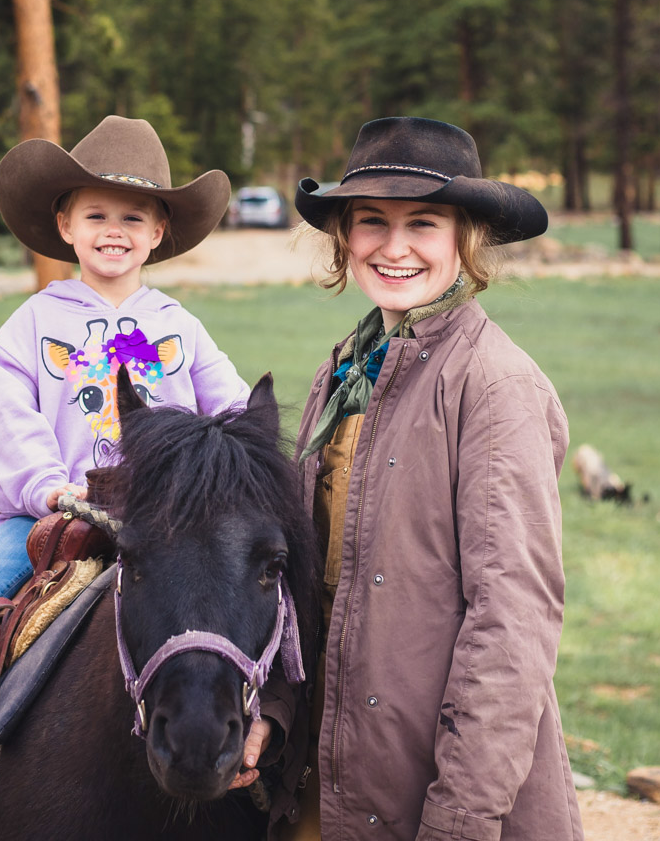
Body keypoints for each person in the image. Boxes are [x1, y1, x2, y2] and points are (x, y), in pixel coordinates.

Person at [0, 115, 253, 827]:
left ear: (159, 230)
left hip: (160, 523)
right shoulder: (32, 324)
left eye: (133, 216)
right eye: (97, 213)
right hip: (52, 513)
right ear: (65, 223)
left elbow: (231, 412)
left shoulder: (180, 326)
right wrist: (50, 487)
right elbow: (14, 420)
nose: (115, 229)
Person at [263, 116, 583, 841]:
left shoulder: (494, 386)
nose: (395, 247)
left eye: (424, 224)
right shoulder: (344, 371)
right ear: (344, 238)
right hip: (329, 779)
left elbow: (513, 625)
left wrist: (461, 821)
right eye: (371, 221)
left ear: (466, 241)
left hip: (436, 795)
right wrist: (276, 714)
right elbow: (302, 585)